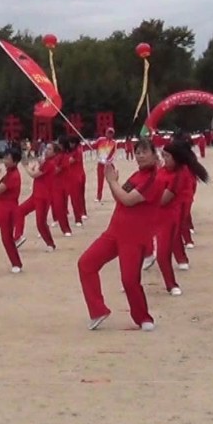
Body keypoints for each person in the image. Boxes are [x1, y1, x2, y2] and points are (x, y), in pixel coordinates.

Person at [77, 138, 164, 331]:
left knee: (129, 280)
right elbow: (120, 196)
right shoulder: (136, 175)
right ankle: (98, 310)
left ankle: (143, 318)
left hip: (134, 237)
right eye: (138, 152)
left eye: (144, 152)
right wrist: (112, 180)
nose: (140, 155)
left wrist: (111, 181)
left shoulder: (153, 179)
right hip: (114, 231)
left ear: (154, 154)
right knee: (86, 264)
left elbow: (128, 200)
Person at [153, 141, 209, 296]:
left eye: (167, 156)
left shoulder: (181, 173)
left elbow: (163, 198)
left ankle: (172, 282)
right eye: (163, 156)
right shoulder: (161, 170)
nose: (164, 159)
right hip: (156, 213)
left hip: (171, 213)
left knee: (166, 249)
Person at [16, 143, 58, 251]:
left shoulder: (50, 164)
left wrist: (25, 166)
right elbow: (36, 171)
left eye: (49, 149)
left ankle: (50, 244)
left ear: (54, 152)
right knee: (20, 211)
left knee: (40, 223)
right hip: (36, 195)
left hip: (43, 197)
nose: (46, 150)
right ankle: (18, 236)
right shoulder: (46, 162)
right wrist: (34, 165)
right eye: (46, 148)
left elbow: (34, 175)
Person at [0, 147, 24, 274]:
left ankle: (16, 263)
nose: (5, 161)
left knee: (6, 238)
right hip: (0, 208)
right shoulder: (9, 173)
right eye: (5, 158)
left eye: (8, 159)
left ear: (15, 162)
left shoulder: (14, 175)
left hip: (8, 209)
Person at [94, 128, 118, 203]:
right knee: (100, 181)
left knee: (113, 181)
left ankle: (116, 196)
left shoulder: (114, 142)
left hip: (109, 164)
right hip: (101, 164)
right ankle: (98, 197)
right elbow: (93, 146)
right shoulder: (100, 140)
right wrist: (89, 145)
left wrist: (108, 161)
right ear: (106, 133)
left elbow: (114, 153)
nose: (109, 134)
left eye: (111, 133)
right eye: (108, 133)